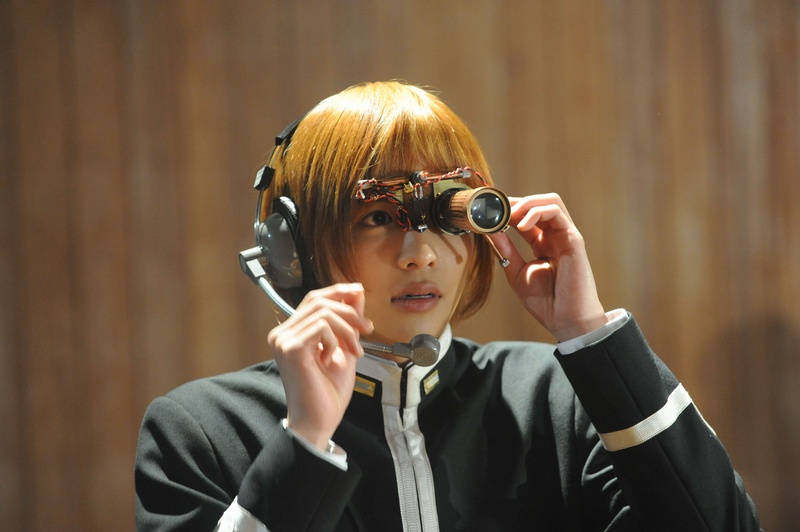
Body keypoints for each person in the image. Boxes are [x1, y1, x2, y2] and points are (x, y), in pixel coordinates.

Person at [135, 81, 761, 531]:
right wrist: (303, 444)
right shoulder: (199, 431)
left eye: (445, 215)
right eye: (378, 217)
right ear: (291, 248)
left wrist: (591, 338)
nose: (421, 254)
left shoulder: (557, 398)